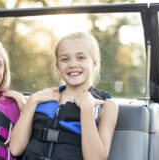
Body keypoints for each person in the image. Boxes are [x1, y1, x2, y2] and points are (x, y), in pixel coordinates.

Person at [10, 32, 119, 160]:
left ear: (94, 63)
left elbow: (95, 158)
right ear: (57, 66)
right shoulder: (41, 99)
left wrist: (87, 108)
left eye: (81, 57)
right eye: (65, 59)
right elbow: (15, 149)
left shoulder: (106, 104)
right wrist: (32, 101)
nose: (72, 64)